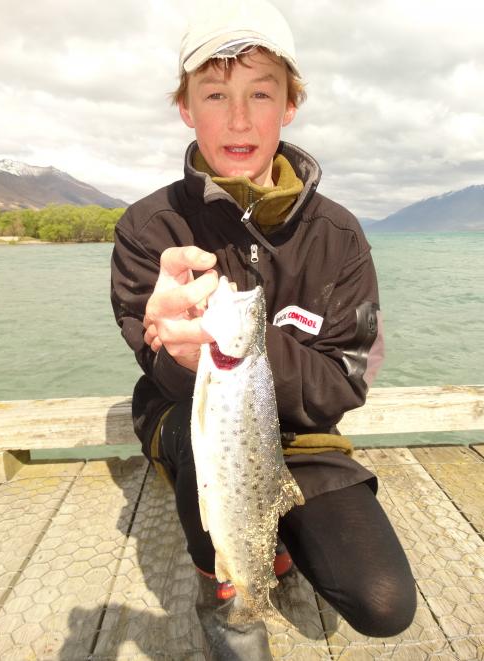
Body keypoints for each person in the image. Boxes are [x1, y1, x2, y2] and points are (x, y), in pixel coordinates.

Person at [111, 1, 416, 658]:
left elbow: (349, 378)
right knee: (204, 447)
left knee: (384, 601)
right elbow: (151, 361)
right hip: (191, 426)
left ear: (290, 105)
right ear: (187, 107)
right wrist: (180, 354)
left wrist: (249, 346)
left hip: (302, 432)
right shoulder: (148, 229)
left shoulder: (340, 236)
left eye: (261, 92)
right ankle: (226, 596)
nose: (240, 117)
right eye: (216, 93)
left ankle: (277, 539)